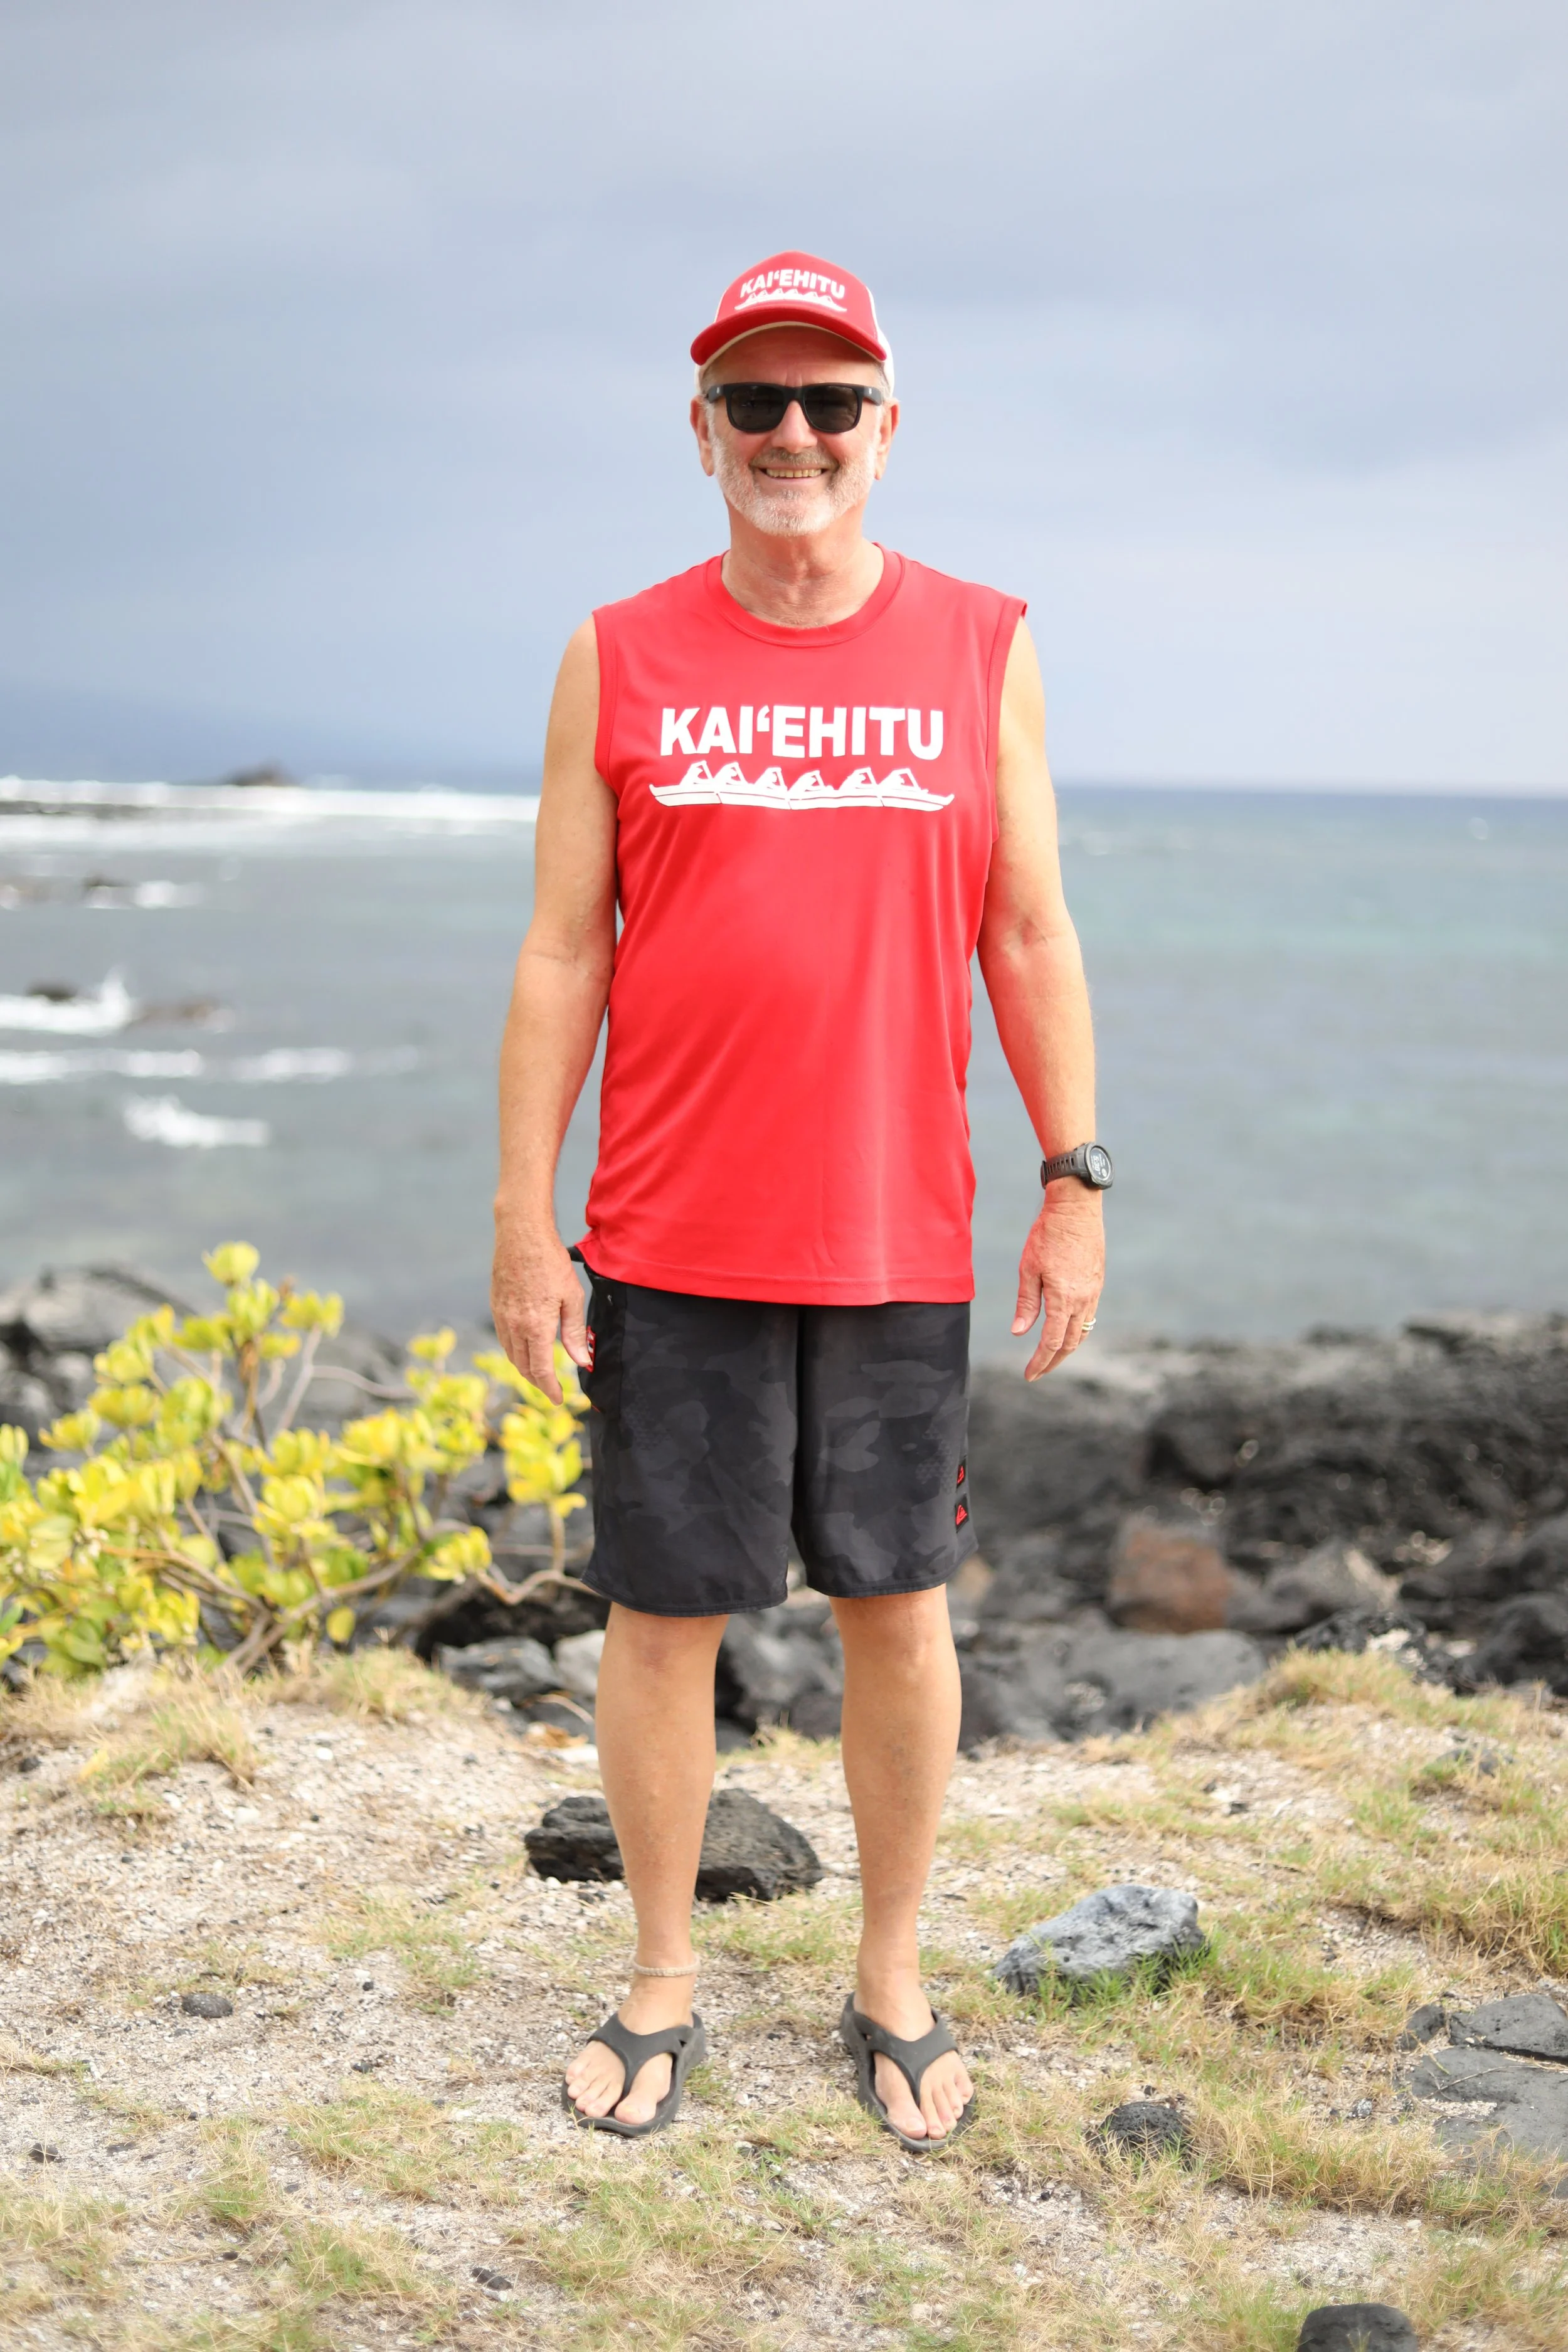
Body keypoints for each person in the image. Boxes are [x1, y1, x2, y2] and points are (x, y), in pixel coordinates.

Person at [491, 250, 1107, 2149]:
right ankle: (664, 1969)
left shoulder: (980, 642)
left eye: (828, 402)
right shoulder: (619, 646)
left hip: (897, 1232)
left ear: (883, 430)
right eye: (753, 403)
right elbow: (560, 956)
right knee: (663, 1619)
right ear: (703, 434)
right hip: (668, 1233)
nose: (791, 435)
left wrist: (1070, 1177)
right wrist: (527, 1225)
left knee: (896, 1610)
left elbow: (1024, 927)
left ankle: (890, 1970)